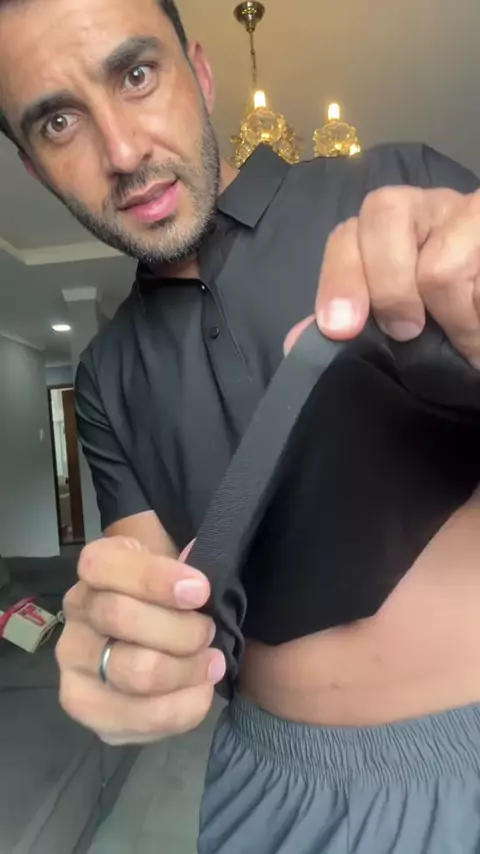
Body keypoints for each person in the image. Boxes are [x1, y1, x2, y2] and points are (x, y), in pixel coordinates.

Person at [2, 0, 480, 850]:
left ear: (201, 73)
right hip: (265, 796)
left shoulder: (395, 187)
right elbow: (159, 595)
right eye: (60, 121)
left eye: (136, 74)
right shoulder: (103, 379)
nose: (123, 151)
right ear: (37, 169)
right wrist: (121, 652)